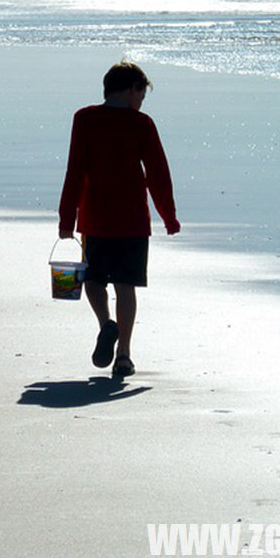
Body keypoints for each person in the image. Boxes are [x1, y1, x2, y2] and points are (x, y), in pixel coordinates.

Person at [58, 61, 180, 376]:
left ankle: (106, 324)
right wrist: (169, 216)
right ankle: (123, 355)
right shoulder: (141, 124)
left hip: (94, 217)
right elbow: (158, 174)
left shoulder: (84, 119)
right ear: (130, 90)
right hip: (132, 220)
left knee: (93, 279)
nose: (141, 101)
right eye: (141, 94)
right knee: (126, 285)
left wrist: (66, 219)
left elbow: (74, 171)